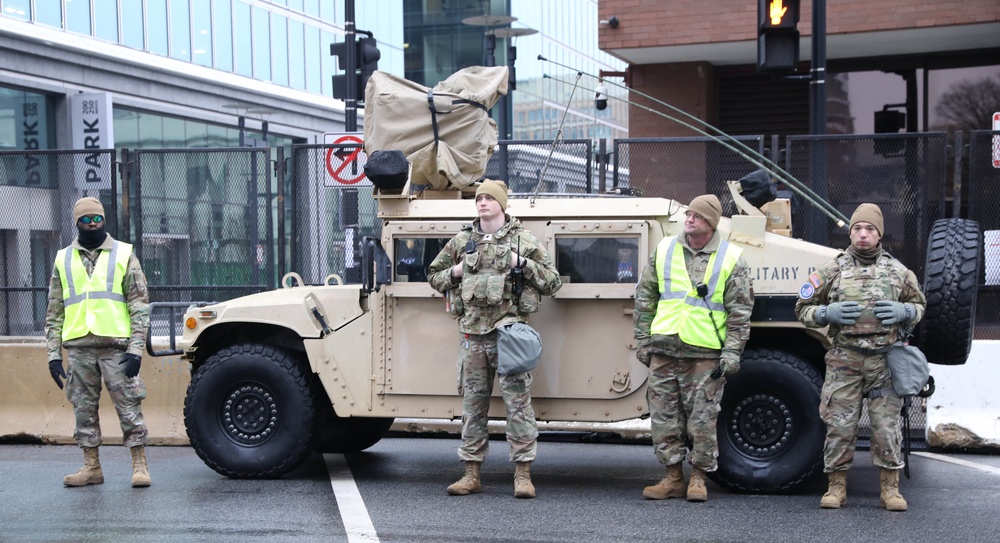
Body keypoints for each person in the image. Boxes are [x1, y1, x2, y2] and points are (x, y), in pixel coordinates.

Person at [427, 179, 562, 499]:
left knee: (519, 406)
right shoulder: (463, 240)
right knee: (473, 407)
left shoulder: (522, 240)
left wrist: (523, 264)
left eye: (489, 198)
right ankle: (471, 473)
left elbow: (552, 281)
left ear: (502, 204)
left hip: (509, 334)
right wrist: (457, 272)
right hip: (473, 334)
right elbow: (434, 275)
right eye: (479, 198)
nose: (483, 203)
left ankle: (523, 474)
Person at [795, 203, 925, 512]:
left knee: (886, 427)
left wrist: (904, 311)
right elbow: (801, 308)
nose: (862, 234)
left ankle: (890, 489)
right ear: (850, 233)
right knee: (840, 426)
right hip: (845, 360)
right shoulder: (831, 270)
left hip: (884, 362)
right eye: (857, 228)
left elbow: (919, 306)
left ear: (879, 234)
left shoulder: (898, 271)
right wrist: (827, 312)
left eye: (869, 229)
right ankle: (836, 486)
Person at [634, 194, 754, 502]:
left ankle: (698, 478)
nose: (689, 219)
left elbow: (740, 312)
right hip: (664, 350)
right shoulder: (664, 249)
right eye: (688, 214)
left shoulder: (730, 257)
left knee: (702, 420)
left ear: (711, 223)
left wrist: (731, 353)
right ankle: (673, 477)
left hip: (704, 354)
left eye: (697, 216)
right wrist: (643, 342)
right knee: (663, 419)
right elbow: (645, 298)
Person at [45, 197, 152, 488]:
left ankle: (139, 464)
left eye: (97, 219)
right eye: (86, 219)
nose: (92, 224)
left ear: (104, 220)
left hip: (116, 347)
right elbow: (55, 311)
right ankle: (91, 466)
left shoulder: (123, 254)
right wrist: (53, 355)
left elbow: (139, 305)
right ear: (77, 222)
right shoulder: (63, 258)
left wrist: (136, 349)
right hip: (79, 347)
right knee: (83, 408)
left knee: (129, 406)